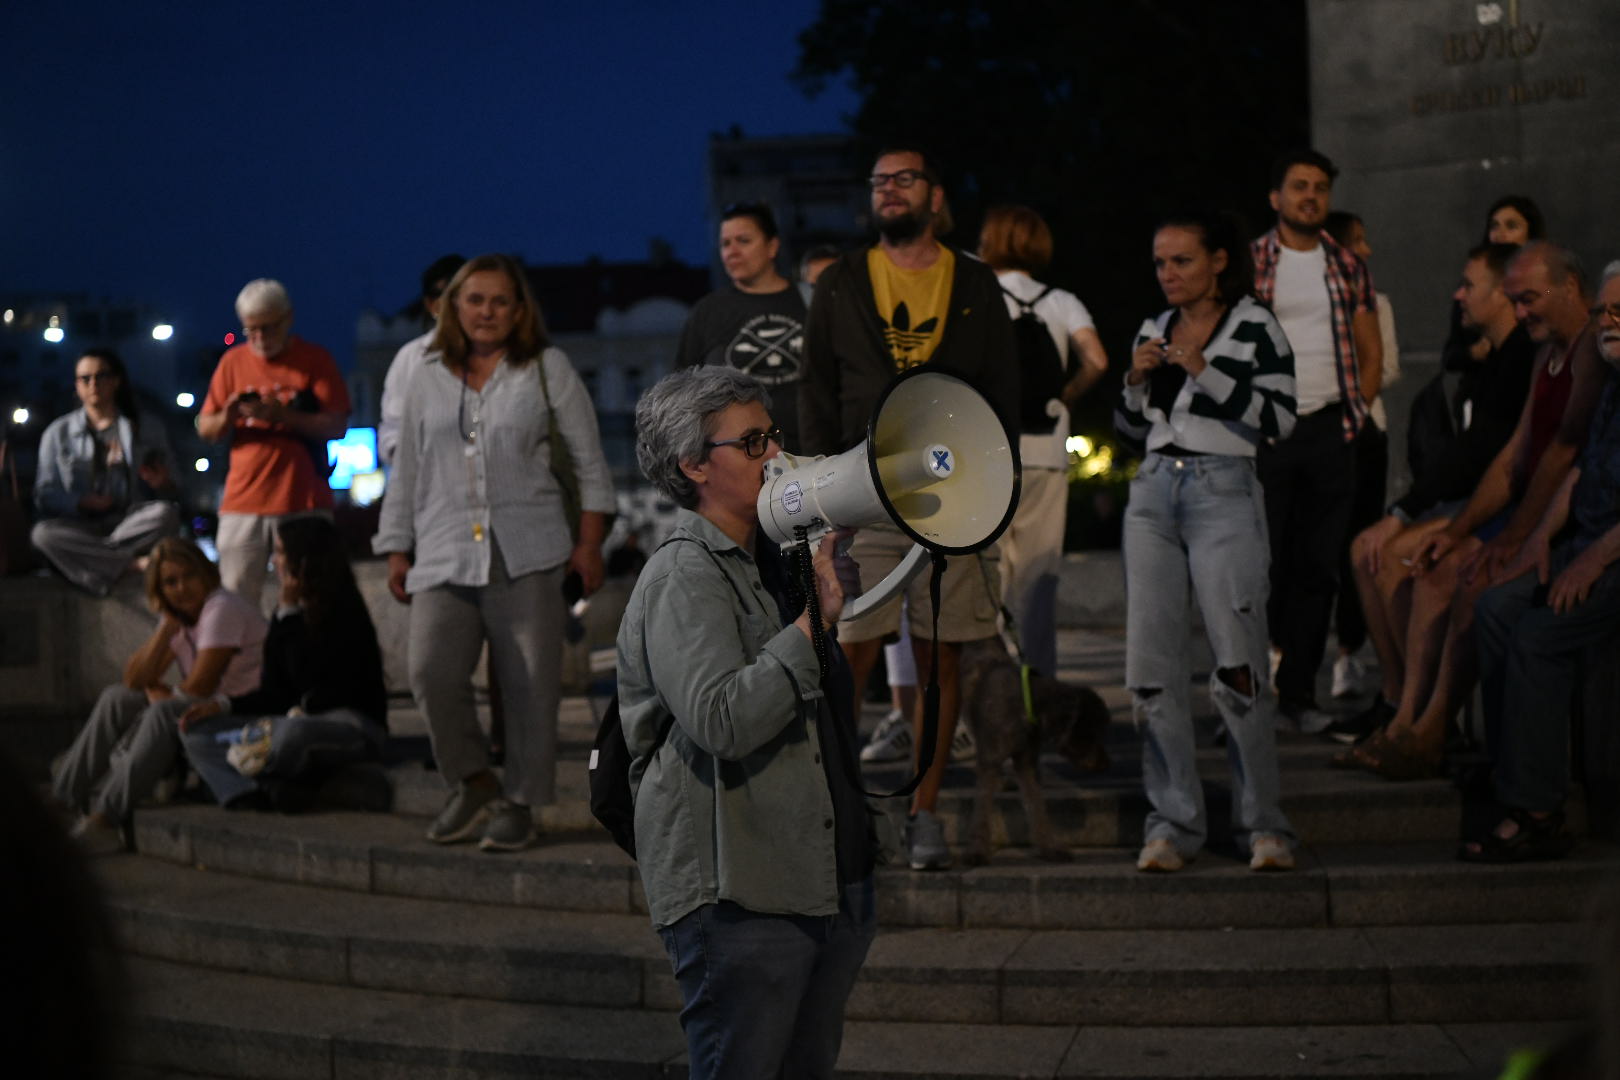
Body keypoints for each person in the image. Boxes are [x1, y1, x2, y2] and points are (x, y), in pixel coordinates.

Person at [618, 365, 875, 1079]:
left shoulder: (775, 561)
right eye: (754, 440)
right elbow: (721, 719)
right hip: (741, 893)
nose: (776, 455)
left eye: (775, 435)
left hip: (820, 876)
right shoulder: (683, 575)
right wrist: (809, 628)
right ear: (694, 465)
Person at [798, 145, 1018, 871]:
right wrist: (823, 487)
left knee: (939, 658)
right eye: (879, 182)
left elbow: (1001, 389)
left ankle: (923, 815)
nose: (889, 190)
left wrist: (994, 488)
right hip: (863, 489)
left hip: (951, 494)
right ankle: (842, 810)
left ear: (935, 192)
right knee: (850, 653)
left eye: (904, 179)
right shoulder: (844, 282)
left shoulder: (975, 281)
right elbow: (817, 388)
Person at [374, 253, 613, 853]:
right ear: (452, 306)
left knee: (530, 682)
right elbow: (405, 469)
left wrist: (588, 544)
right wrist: (396, 545)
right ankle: (473, 779)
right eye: (474, 299)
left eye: (500, 300)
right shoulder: (423, 372)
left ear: (519, 309)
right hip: (444, 545)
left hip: (528, 547)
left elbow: (588, 461)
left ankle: (523, 801)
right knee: (429, 671)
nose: (487, 311)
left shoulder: (546, 367)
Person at [1340, 243, 1603, 776]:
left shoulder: (1591, 352)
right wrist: (1460, 529)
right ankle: (1409, 720)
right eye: (1514, 300)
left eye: (1528, 299)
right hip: (1528, 508)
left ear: (1570, 287)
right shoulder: (1543, 357)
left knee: (1467, 577)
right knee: (1435, 563)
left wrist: (1512, 538)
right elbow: (1514, 456)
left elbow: (1562, 455)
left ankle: (1432, 728)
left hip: (1566, 516)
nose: (1521, 312)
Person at [1115, 210, 1298, 873]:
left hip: (1225, 488)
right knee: (1151, 668)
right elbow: (1131, 428)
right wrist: (1135, 383)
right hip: (1154, 489)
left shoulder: (1254, 324)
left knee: (1239, 662)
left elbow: (1281, 418)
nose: (1168, 274)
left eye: (1182, 260)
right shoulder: (1152, 326)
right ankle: (1172, 823)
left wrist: (1206, 372)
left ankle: (1264, 825)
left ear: (1218, 261)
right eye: (1161, 263)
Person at [1329, 243, 1535, 756]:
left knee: (1407, 559)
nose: (1457, 295)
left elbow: (1488, 456)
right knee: (1367, 550)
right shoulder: (1489, 362)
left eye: (1469, 285)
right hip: (1479, 502)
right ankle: (1400, 702)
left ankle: (1425, 721)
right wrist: (1409, 511)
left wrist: (1410, 513)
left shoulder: (1524, 358)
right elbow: (1470, 456)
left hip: (1507, 512)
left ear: (1504, 293)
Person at [1462, 260, 1620, 862]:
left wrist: (1590, 561)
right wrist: (1539, 542)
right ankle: (1514, 770)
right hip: (1589, 538)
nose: (1610, 322)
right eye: (1607, 310)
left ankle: (1536, 811)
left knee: (1540, 633)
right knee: (1499, 605)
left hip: (1612, 553)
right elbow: (1581, 469)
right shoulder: (1611, 381)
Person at [1250, 149, 1382, 731]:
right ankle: (1249, 690)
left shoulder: (1347, 264)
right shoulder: (1252, 261)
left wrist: (1352, 417)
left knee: (1318, 568)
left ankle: (1299, 697)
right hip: (1266, 430)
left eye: (1320, 187)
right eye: (1299, 185)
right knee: (1257, 565)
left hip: (1331, 427)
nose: (1310, 196)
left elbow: (1369, 347)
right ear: (1276, 197)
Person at [51, 537, 267, 852]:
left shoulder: (221, 608)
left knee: (163, 712)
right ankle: (63, 800)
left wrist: (164, 696)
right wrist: (166, 629)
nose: (182, 588)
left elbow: (200, 686)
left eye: (189, 576)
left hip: (242, 711)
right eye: (170, 582)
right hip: (206, 709)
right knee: (117, 698)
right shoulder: (180, 618)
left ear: (205, 573)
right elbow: (133, 680)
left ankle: (105, 819)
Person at [176, 516, 388, 811]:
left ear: (303, 560)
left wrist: (290, 613)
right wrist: (223, 706)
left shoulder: (343, 612)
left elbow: (310, 681)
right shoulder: (284, 616)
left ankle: (260, 784)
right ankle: (256, 792)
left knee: (288, 736)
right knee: (198, 734)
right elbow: (275, 693)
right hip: (289, 722)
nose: (274, 561)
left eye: (280, 552)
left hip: (349, 726)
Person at [980, 203, 1108, 678]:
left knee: (989, 573)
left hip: (990, 450)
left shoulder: (978, 292)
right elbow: (1097, 359)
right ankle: (1040, 688)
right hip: (1047, 450)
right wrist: (1065, 397)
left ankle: (992, 684)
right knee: (1038, 578)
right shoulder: (1062, 300)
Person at [196, 279, 351, 605]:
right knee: (235, 601)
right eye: (250, 330)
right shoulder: (233, 362)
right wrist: (229, 415)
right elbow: (205, 427)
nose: (260, 339)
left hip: (303, 500)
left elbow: (337, 425)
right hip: (243, 501)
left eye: (268, 328)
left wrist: (284, 416)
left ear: (288, 318)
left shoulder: (314, 360)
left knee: (310, 598)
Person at [1322, 211, 1400, 699]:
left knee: (1359, 540)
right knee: (1309, 547)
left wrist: (1345, 392)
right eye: (1358, 242)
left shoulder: (1377, 301)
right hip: (1312, 435)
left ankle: (1349, 655)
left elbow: (1386, 366)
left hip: (1364, 430)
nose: (1366, 251)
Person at [31, 348, 179, 595]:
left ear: (117, 381)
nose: (93, 384)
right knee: (42, 535)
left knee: (165, 514)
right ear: (77, 385)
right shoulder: (58, 433)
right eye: (85, 378)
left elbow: (176, 485)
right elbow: (44, 494)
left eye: (101, 376)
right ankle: (129, 564)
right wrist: (80, 502)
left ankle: (99, 563)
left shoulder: (146, 427)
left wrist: (162, 482)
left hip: (128, 523)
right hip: (79, 526)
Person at [677, 203, 808, 452]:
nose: (732, 251)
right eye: (725, 244)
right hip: (740, 462)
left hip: (810, 457)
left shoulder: (810, 302)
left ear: (772, 246)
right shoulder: (707, 312)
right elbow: (682, 392)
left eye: (743, 241)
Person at [379, 254, 466, 466]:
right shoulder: (411, 358)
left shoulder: (498, 351)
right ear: (432, 305)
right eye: (451, 297)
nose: (462, 306)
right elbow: (391, 432)